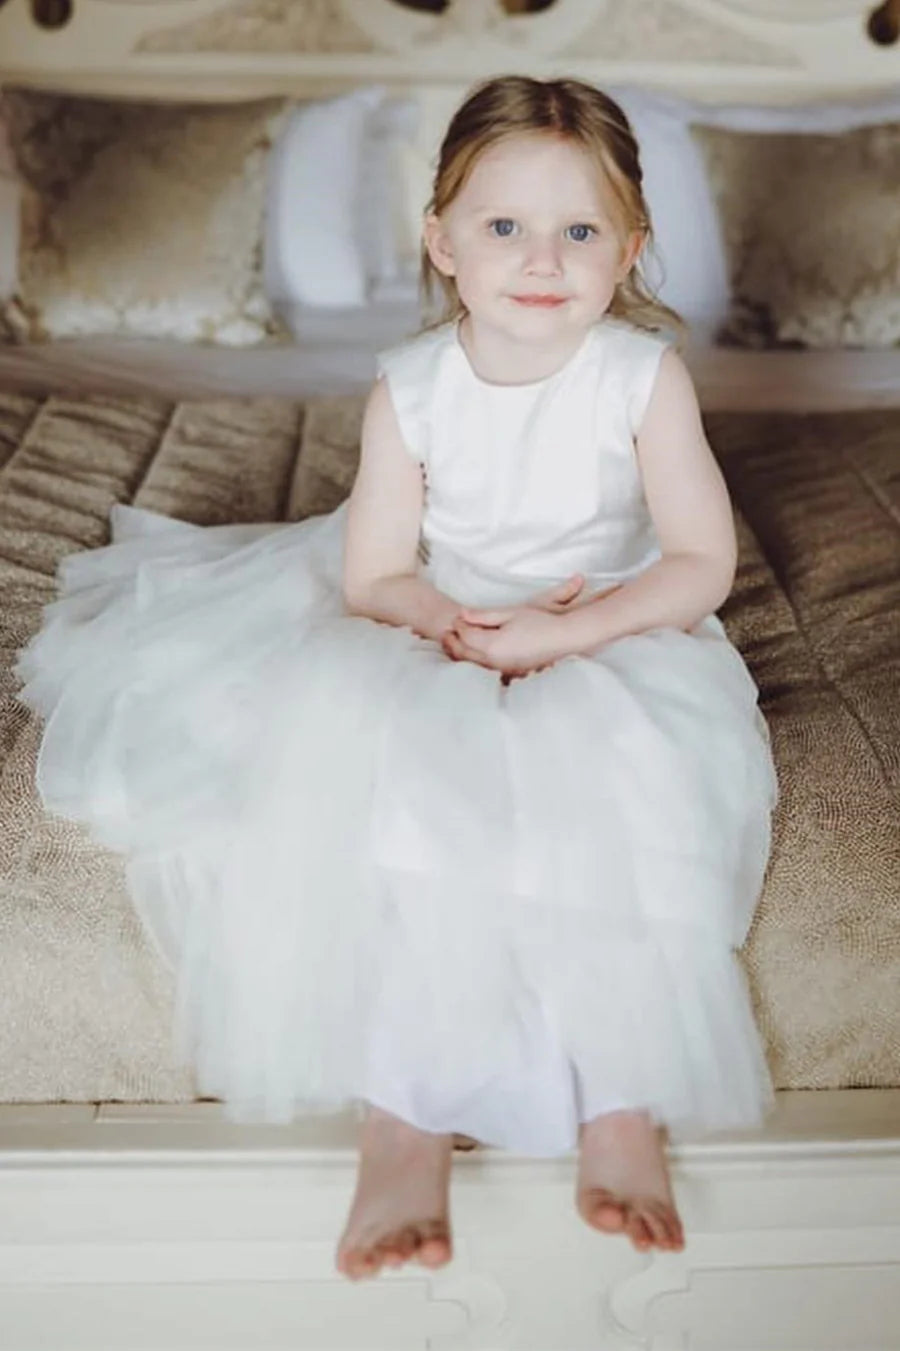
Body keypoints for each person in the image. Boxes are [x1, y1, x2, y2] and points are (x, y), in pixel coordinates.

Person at [15, 75, 779, 1282]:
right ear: (441, 241)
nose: (542, 259)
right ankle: (406, 1121)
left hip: (612, 624)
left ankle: (621, 1103)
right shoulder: (412, 386)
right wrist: (450, 618)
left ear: (631, 246)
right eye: (504, 227)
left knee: (628, 787)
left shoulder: (642, 376)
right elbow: (374, 573)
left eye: (580, 231)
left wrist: (567, 636)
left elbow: (700, 563)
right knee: (407, 794)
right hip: (451, 613)